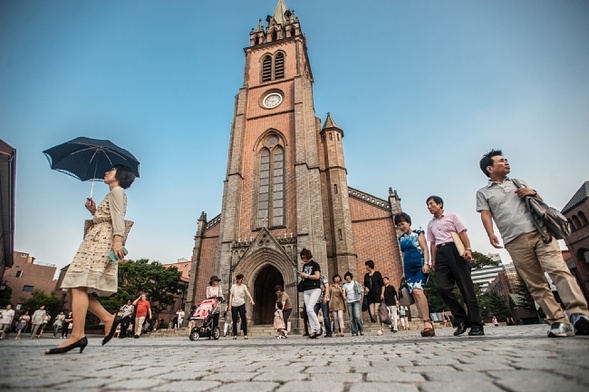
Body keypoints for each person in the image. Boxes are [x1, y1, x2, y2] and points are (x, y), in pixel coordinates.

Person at [476, 149, 589, 337]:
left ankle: (579, 314)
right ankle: (557, 321)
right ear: (490, 168)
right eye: (501, 161)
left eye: (506, 160)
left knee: (558, 270)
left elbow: (539, 205)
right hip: (514, 240)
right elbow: (485, 214)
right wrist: (491, 234)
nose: (506, 162)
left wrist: (533, 193)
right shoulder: (483, 193)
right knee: (535, 282)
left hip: (540, 232)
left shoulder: (519, 182)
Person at [46, 165, 135, 354]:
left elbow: (118, 216)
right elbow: (108, 217)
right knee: (76, 286)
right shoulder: (112, 194)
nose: (106, 172)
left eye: (110, 170)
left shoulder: (118, 191)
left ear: (120, 176)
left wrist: (117, 240)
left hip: (103, 240)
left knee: (77, 284)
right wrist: (94, 211)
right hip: (97, 237)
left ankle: (78, 335)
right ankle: (107, 319)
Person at [426, 195, 484, 336]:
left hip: (456, 250)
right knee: (442, 288)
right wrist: (433, 261)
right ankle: (461, 319)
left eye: (431, 204)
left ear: (440, 204)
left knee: (466, 288)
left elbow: (462, 233)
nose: (429, 207)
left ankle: (476, 324)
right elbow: (432, 243)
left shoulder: (452, 216)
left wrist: (468, 249)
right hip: (441, 254)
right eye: (427, 205)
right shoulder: (430, 224)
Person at [395, 212, 435, 337]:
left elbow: (424, 249)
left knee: (418, 291)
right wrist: (403, 272)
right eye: (398, 225)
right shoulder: (401, 238)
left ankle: (427, 322)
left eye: (403, 224)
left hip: (419, 266)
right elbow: (403, 255)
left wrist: (426, 264)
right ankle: (426, 322)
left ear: (408, 222)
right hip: (408, 269)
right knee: (414, 295)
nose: (401, 227)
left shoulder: (418, 233)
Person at [299, 248, 323, 339]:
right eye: (302, 257)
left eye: (304, 257)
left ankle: (318, 327)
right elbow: (305, 277)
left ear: (308, 255)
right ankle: (313, 331)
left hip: (315, 289)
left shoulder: (315, 264)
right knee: (308, 312)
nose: (303, 258)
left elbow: (317, 276)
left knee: (309, 308)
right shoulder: (304, 266)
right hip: (306, 289)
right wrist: (302, 276)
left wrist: (307, 275)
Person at [228, 273, 255, 340]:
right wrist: (229, 305)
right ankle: (235, 335)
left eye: (242, 279)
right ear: (238, 280)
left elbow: (247, 293)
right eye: (241, 279)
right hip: (234, 304)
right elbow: (231, 296)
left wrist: (251, 299)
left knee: (243, 318)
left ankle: (245, 334)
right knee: (234, 319)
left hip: (241, 303)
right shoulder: (233, 286)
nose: (242, 281)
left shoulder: (243, 286)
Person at [363, 260, 385, 335]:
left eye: (366, 265)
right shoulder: (366, 275)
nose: (366, 267)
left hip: (377, 294)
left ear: (370, 266)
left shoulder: (377, 274)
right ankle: (381, 324)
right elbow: (365, 284)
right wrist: (365, 288)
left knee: (376, 311)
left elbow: (382, 285)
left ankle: (380, 328)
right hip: (370, 295)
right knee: (372, 313)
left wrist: (382, 294)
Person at [342, 271, 364, 336]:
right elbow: (344, 292)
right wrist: (344, 296)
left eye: (348, 278)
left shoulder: (355, 283)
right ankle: (354, 331)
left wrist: (360, 297)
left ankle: (361, 329)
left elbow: (360, 289)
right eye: (346, 278)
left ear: (351, 277)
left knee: (357, 316)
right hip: (349, 302)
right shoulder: (345, 285)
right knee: (351, 317)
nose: (347, 279)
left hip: (356, 300)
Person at [314, 273, 333, 337]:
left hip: (323, 299)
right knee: (313, 315)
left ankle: (329, 332)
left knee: (325, 316)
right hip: (315, 300)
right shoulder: (312, 278)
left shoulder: (323, 277)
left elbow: (327, 287)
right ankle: (316, 331)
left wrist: (325, 296)